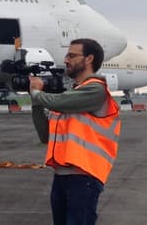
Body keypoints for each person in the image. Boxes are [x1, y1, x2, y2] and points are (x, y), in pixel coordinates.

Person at [29, 38, 121, 225]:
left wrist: (37, 93)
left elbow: (57, 101)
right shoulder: (72, 95)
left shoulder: (96, 90)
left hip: (84, 176)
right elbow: (45, 135)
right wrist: (36, 103)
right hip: (62, 176)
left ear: (89, 59)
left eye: (71, 55)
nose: (66, 60)